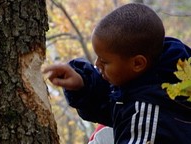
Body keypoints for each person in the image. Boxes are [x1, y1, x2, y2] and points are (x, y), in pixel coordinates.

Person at [43, 3, 191, 144]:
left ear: (138, 63)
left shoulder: (147, 118)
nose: (97, 64)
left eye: (105, 61)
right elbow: (113, 100)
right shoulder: (151, 73)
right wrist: (82, 83)